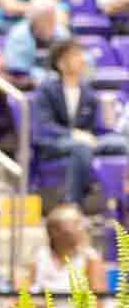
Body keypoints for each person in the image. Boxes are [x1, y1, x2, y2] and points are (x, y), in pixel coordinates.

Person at [31, 38, 126, 208]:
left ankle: (121, 200)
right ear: (61, 63)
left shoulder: (88, 93)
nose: (82, 59)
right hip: (53, 142)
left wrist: (102, 130)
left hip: (85, 141)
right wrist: (73, 134)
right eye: (75, 55)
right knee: (80, 147)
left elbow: (96, 129)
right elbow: (43, 127)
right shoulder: (46, 90)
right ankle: (72, 203)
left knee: (121, 143)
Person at [3, 0, 70, 85]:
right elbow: (18, 72)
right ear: (34, 19)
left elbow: (71, 59)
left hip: (58, 82)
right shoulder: (19, 35)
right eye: (46, 19)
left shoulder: (61, 32)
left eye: (52, 18)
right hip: (29, 83)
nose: (51, 23)